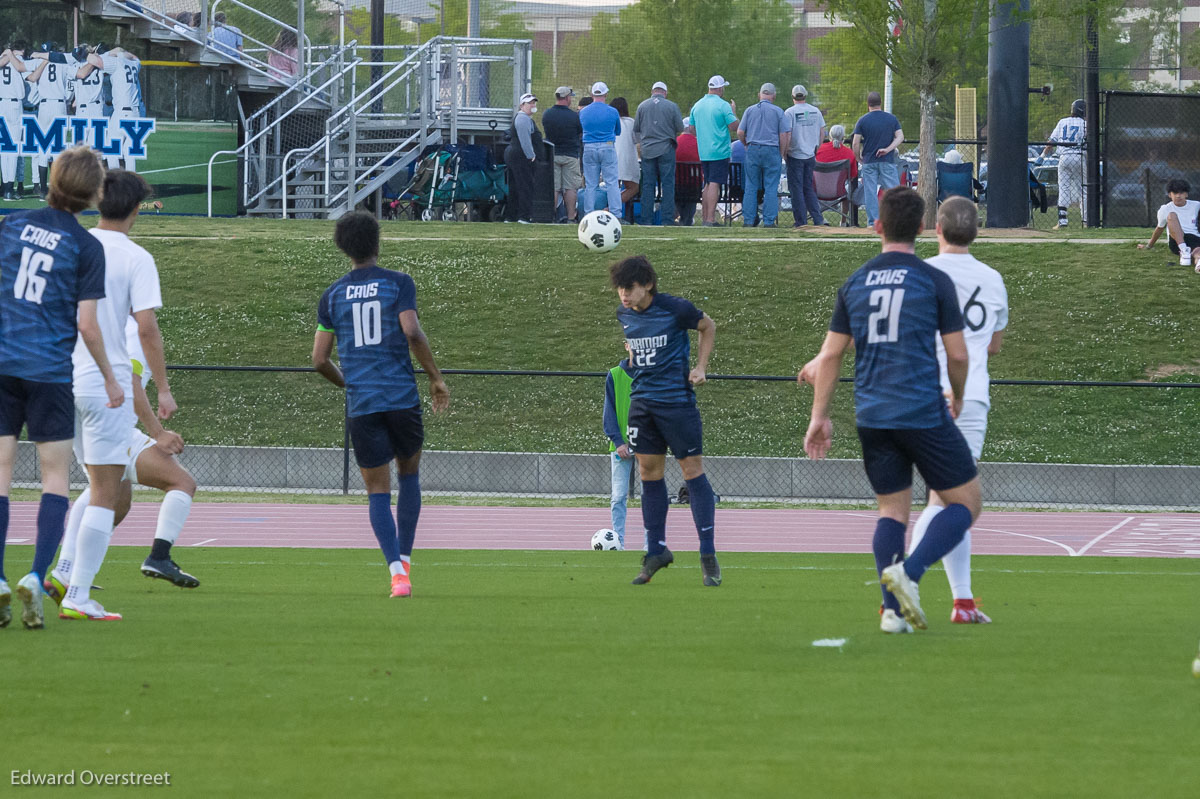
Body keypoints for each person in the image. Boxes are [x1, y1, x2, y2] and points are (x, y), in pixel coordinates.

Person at [799, 187, 981, 633]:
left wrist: (819, 416)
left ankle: (891, 613)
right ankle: (910, 574)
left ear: (876, 226)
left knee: (891, 514)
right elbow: (958, 356)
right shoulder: (934, 280)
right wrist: (956, 395)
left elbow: (830, 357)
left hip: (873, 414)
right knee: (967, 503)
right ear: (921, 229)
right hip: (921, 408)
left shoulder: (855, 282)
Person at [48, 171, 196, 616]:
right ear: (137, 210)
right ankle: (76, 592)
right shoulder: (135, 258)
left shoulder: (74, 245)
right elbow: (147, 329)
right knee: (106, 493)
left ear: (96, 202)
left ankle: (59, 575)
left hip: (58, 381)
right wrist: (164, 392)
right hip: (103, 386)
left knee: (99, 486)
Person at [0, 146, 121, 630]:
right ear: (94, 191)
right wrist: (112, 378)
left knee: (1, 475)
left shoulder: (9, 225)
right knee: (55, 478)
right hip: (49, 372)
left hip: (3, 363)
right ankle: (35, 573)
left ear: (53, 180)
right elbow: (88, 326)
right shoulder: (87, 247)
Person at [312, 212, 450, 598]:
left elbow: (319, 359)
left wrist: (349, 383)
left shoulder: (333, 295)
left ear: (344, 249)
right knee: (409, 476)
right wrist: (436, 378)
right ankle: (406, 559)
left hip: (363, 403)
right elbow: (411, 329)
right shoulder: (398, 283)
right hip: (401, 397)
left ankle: (396, 575)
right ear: (377, 242)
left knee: (376, 492)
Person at [906, 196, 1007, 625]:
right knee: (957, 500)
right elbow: (995, 344)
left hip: (922, 392)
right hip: (969, 395)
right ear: (977, 232)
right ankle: (906, 578)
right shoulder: (992, 278)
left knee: (945, 498)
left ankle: (960, 601)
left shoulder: (923, 273)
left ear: (937, 229)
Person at [610, 255, 719, 587]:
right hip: (642, 405)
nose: (624, 295)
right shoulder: (624, 315)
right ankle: (656, 550)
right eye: (619, 288)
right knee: (647, 472)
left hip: (676, 402)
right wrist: (633, 358)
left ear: (648, 285)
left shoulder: (675, 308)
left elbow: (708, 326)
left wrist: (700, 367)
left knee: (691, 470)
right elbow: (637, 355)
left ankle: (708, 554)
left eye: (629, 287)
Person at [736, 82, 790, 228]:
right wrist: (781, 153)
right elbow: (784, 135)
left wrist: (746, 143)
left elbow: (740, 132)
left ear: (759, 95)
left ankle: (748, 220)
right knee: (771, 186)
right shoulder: (778, 112)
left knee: (751, 186)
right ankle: (769, 221)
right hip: (772, 149)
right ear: (774, 96)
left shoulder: (749, 110)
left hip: (753, 149)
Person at [25, 43, 72, 199]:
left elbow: (30, 77)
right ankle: (57, 188)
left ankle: (43, 189)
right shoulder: (63, 62)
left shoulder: (38, 62)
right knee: (58, 147)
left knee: (43, 146)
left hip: (44, 106)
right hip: (59, 105)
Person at [690, 75, 738, 226]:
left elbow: (692, 129)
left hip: (704, 151)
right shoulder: (723, 105)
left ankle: (705, 218)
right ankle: (710, 219)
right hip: (719, 150)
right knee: (715, 183)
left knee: (708, 183)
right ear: (720, 88)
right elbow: (734, 127)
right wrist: (734, 111)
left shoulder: (697, 105)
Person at [634, 81, 683, 226]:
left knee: (648, 185)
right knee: (668, 185)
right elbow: (680, 127)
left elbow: (636, 129)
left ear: (652, 91)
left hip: (647, 149)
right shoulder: (672, 106)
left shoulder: (642, 106)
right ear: (665, 93)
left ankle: (646, 220)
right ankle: (667, 220)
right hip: (666, 148)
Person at [852, 91, 904, 226]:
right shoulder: (891, 119)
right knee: (894, 191)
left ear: (868, 104)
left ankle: (873, 222)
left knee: (870, 192)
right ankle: (897, 220)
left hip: (869, 160)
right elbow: (900, 137)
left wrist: (858, 157)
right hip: (887, 160)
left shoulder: (862, 120)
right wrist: (888, 149)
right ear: (880, 103)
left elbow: (856, 142)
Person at [88, 46, 142, 171]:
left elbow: (93, 60)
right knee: (129, 153)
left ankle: (115, 184)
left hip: (122, 113)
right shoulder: (135, 64)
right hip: (135, 113)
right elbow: (134, 56)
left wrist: (107, 53)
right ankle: (131, 186)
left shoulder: (117, 62)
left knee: (111, 150)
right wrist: (121, 51)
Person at [602, 343, 634, 550]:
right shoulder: (615, 375)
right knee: (618, 496)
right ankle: (618, 542)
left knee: (652, 497)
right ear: (627, 346)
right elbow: (609, 412)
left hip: (648, 447)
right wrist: (618, 442)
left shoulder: (653, 375)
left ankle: (652, 544)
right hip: (621, 448)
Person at [1038, 99, 1087, 229]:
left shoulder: (1062, 122)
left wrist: (1042, 156)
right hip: (1079, 156)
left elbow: (1051, 141)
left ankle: (1062, 221)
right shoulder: (1085, 124)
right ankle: (1086, 220)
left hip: (1064, 157)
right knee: (1083, 189)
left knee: (1064, 188)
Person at [784, 84, 826, 227]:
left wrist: (784, 152)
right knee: (808, 188)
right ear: (805, 96)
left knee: (796, 189)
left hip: (795, 154)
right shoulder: (816, 111)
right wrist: (816, 148)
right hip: (810, 154)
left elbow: (787, 134)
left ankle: (801, 221)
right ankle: (817, 218)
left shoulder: (789, 113)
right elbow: (822, 132)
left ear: (793, 96)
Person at [580, 82, 622, 218]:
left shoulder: (583, 112)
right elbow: (618, 131)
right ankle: (615, 214)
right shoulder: (613, 111)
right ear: (606, 94)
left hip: (589, 147)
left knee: (591, 184)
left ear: (592, 95)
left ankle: (588, 214)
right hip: (607, 145)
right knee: (612, 183)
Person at [1137, 178, 1200, 269]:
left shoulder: (1196, 205)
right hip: (1176, 241)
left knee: (1197, 251)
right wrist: (1148, 246)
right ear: (1170, 195)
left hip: (1195, 238)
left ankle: (1198, 263)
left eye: (1181, 193)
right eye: (1175, 193)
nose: (1178, 196)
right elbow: (1159, 228)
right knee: (1171, 215)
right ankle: (1184, 250)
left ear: (1186, 194)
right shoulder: (1165, 209)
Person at [542, 86, 583, 224]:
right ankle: (571, 217)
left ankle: (550, 216)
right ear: (566, 98)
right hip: (570, 155)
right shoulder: (574, 116)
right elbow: (579, 133)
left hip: (553, 154)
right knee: (570, 187)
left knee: (554, 188)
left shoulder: (547, 114)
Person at [504, 93, 541, 223]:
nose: (532, 105)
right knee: (525, 186)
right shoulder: (523, 119)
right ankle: (524, 216)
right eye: (529, 103)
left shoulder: (523, 118)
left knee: (515, 186)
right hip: (520, 156)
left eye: (534, 103)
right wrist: (531, 156)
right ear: (522, 105)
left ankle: (511, 216)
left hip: (514, 154)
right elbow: (525, 140)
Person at [816, 124, 859, 225]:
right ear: (843, 137)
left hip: (817, 190)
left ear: (829, 137)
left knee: (807, 189)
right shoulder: (849, 153)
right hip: (839, 191)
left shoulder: (818, 150)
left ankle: (820, 218)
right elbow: (852, 176)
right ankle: (843, 222)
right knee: (850, 189)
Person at [0, 45, 28, 201]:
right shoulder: (19, 60)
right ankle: (10, 188)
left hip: (2, 104)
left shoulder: (2, 60)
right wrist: (13, 55)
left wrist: (7, 54)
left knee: (4, 149)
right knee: (13, 149)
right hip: (15, 105)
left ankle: (5, 187)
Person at [612, 97, 639, 218]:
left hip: (612, 159)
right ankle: (610, 209)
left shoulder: (610, 123)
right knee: (633, 187)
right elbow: (637, 139)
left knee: (612, 188)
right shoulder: (631, 122)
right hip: (627, 161)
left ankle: (611, 208)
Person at [674, 122, 700, 226]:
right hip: (694, 186)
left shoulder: (675, 142)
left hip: (676, 184)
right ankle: (687, 219)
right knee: (693, 191)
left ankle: (682, 219)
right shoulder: (699, 143)